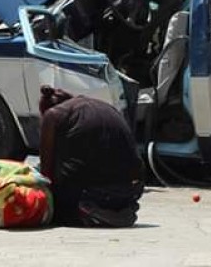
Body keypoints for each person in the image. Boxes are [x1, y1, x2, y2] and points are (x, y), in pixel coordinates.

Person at [39, 85, 145, 227]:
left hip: (91, 195)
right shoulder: (106, 107)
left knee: (52, 205)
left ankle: (87, 210)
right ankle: (118, 209)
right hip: (131, 192)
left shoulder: (53, 115)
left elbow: (46, 173)